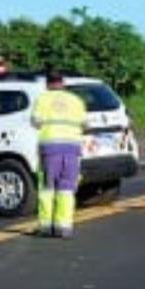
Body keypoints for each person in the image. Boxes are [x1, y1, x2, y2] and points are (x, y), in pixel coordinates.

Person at [30, 69, 87, 237]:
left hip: (50, 149)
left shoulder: (42, 99)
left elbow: (35, 122)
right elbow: (85, 124)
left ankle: (45, 227)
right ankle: (64, 227)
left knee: (47, 189)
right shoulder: (76, 100)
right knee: (66, 189)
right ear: (63, 83)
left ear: (47, 84)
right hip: (72, 149)